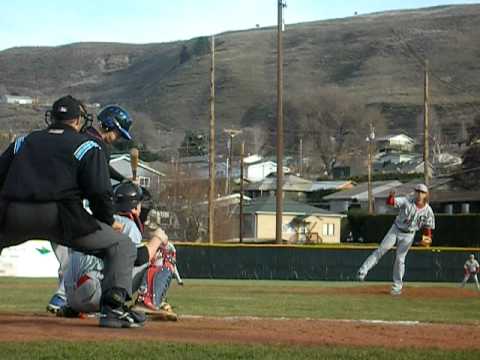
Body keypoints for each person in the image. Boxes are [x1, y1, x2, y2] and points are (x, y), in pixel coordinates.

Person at [0, 95, 143, 328]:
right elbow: (99, 192)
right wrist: (106, 220)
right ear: (78, 121)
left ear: (52, 118)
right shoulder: (87, 145)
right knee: (122, 245)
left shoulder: (22, 141)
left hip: (14, 214)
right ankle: (113, 311)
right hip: (62, 218)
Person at [47, 104, 134, 313]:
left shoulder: (81, 136)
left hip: (48, 204)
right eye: (117, 132)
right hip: (74, 208)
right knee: (77, 255)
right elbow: (100, 179)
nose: (117, 138)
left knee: (68, 257)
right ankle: (63, 298)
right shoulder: (97, 145)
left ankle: (63, 298)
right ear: (110, 126)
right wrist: (124, 181)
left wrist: (123, 178)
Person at [60, 182, 175, 320]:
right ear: (135, 208)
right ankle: (148, 302)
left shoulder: (95, 219)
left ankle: (73, 306)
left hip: (70, 297)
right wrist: (157, 238)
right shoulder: (128, 225)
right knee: (165, 250)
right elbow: (137, 258)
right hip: (93, 294)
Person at [356, 184, 435, 295]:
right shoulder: (407, 201)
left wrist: (428, 239)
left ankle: (397, 287)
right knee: (381, 250)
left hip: (409, 235)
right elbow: (391, 202)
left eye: (422, 192)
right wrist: (391, 195)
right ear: (415, 192)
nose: (419, 194)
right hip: (396, 229)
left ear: (426, 195)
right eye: (417, 191)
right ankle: (362, 271)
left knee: (400, 259)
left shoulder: (428, 211)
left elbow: (428, 227)